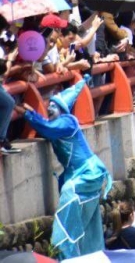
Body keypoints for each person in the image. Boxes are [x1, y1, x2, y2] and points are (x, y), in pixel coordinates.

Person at [16, 80, 111, 258]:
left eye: (55, 106)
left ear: (63, 110)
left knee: (69, 199)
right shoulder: (58, 123)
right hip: (80, 173)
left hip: (88, 173)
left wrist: (28, 114)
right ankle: (90, 255)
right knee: (87, 221)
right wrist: (32, 113)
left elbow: (47, 128)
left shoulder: (67, 122)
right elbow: (47, 124)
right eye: (49, 105)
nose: (51, 108)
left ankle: (66, 255)